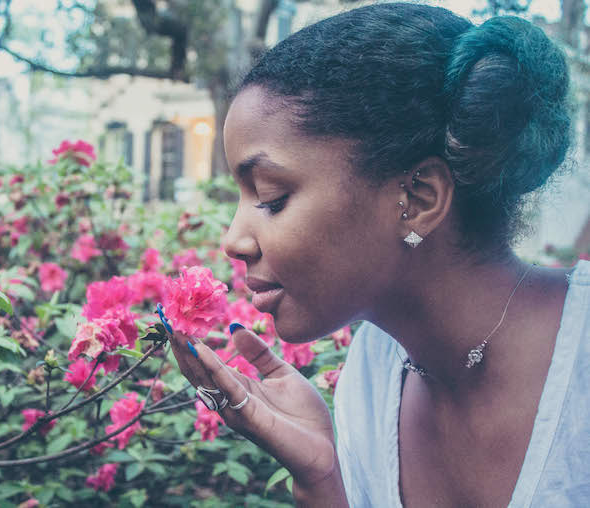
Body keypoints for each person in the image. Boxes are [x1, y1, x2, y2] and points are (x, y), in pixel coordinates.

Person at [168, 2, 589, 507]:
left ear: (418, 198)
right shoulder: (373, 377)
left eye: (271, 197)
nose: (234, 240)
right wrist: (320, 480)